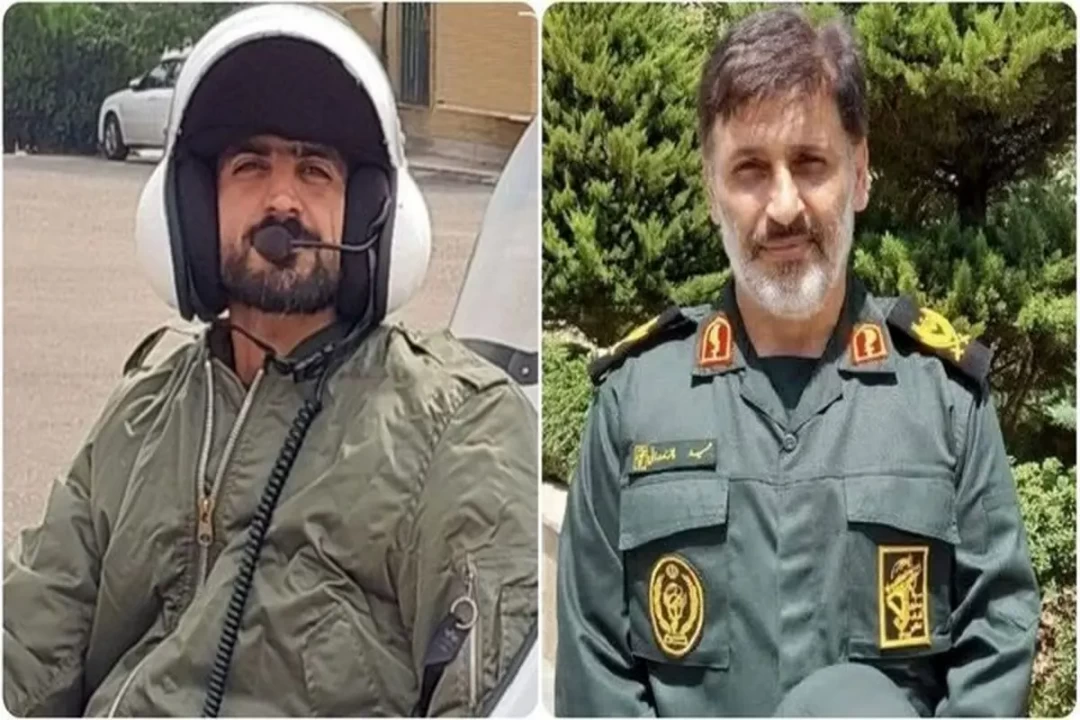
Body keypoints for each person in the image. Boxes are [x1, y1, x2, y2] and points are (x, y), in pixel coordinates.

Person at [4, 5, 537, 717]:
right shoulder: (141, 414)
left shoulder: (457, 427)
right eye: (250, 166)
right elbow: (30, 639)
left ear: (371, 214)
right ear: (194, 209)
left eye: (315, 170)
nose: (282, 199)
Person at [555, 8, 1039, 717]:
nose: (783, 207)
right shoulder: (636, 403)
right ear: (711, 190)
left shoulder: (945, 401)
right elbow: (595, 666)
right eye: (750, 169)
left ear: (860, 174)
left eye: (810, 163)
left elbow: (996, 635)